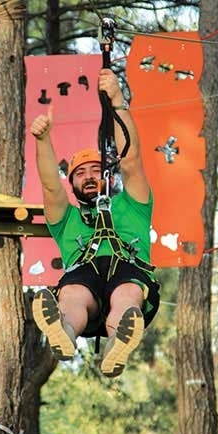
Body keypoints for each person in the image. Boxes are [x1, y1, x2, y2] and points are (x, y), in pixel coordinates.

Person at [30, 67, 160, 378]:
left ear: (108, 177)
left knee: (126, 294)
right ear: (72, 183)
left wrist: (117, 100)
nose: (88, 176)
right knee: (73, 294)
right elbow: (50, 186)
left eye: (95, 171)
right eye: (80, 173)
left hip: (129, 271)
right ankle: (64, 331)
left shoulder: (133, 205)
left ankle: (118, 341)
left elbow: (131, 160)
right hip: (83, 279)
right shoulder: (67, 219)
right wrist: (43, 140)